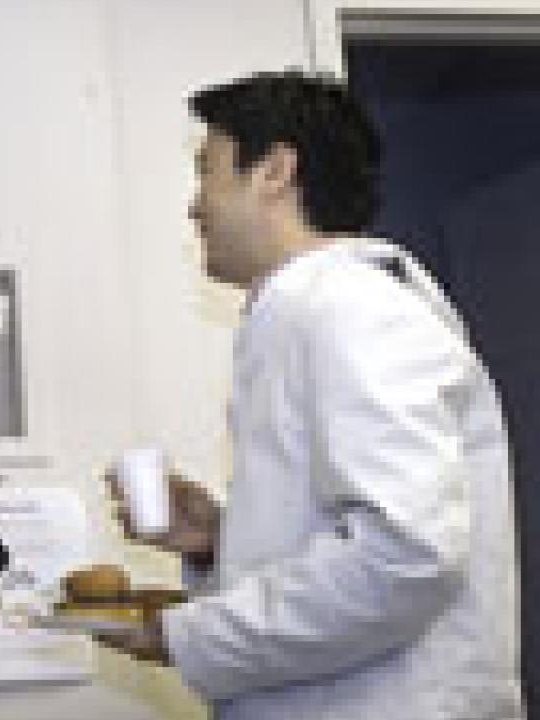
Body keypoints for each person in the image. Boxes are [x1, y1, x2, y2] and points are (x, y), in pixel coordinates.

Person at [102, 71, 523, 719]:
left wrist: (188, 636)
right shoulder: (313, 309)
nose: (195, 204)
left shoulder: (349, 308)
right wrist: (222, 540)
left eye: (206, 171)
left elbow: (404, 556)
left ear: (273, 171)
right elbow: (357, 535)